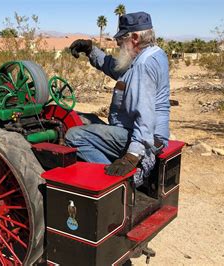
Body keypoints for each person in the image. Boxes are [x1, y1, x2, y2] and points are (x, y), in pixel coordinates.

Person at [66, 11, 170, 182]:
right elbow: (117, 69)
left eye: (121, 40)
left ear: (135, 37)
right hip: (154, 134)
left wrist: (133, 155)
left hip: (143, 136)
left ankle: (116, 182)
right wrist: (91, 50)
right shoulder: (154, 54)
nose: (119, 44)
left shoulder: (142, 66)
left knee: (74, 136)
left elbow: (145, 114)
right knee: (88, 118)